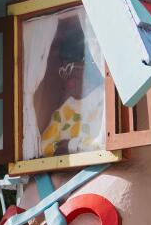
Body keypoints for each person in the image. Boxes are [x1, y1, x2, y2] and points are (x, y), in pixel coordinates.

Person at [29, 12, 103, 157]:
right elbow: (43, 146)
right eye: (62, 70)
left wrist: (69, 145)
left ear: (89, 65)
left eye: (69, 69)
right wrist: (73, 146)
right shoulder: (64, 110)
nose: (66, 78)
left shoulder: (105, 101)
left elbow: (104, 143)